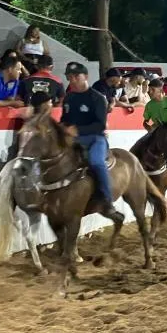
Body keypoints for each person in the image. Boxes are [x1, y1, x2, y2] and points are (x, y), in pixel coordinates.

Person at [60, 62, 125, 223]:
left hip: (95, 138)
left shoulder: (97, 98)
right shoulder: (69, 98)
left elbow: (100, 125)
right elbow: (64, 120)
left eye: (76, 76)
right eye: (70, 77)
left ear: (86, 77)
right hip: (73, 139)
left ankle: (107, 200)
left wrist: (77, 130)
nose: (73, 80)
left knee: (96, 162)